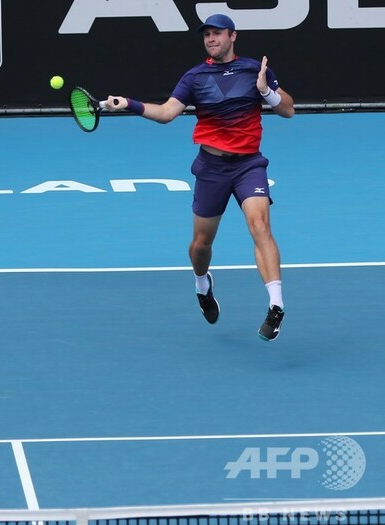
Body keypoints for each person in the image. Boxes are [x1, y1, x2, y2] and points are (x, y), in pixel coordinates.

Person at [104, 13, 295, 341]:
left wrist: (267, 92)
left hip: (249, 165)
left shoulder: (255, 70)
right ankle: (202, 284)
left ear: (232, 36)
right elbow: (167, 113)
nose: (211, 39)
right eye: (207, 34)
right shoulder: (194, 77)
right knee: (201, 245)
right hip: (211, 168)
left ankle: (276, 306)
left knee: (260, 226)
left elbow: (288, 109)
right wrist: (128, 104)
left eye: (217, 33)